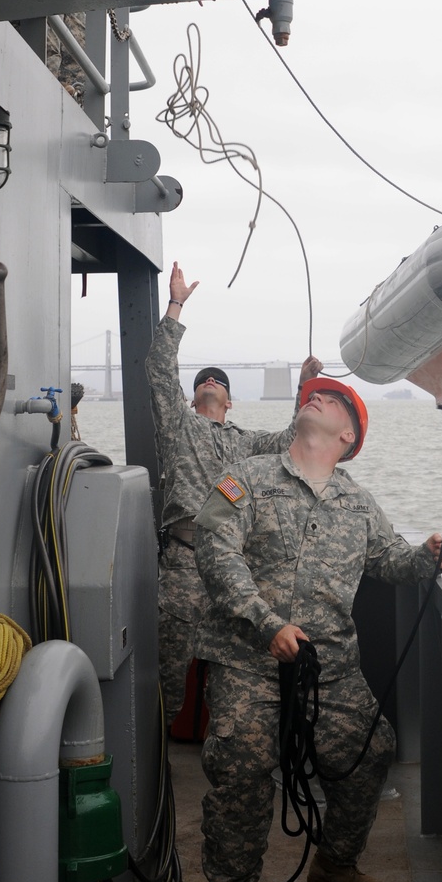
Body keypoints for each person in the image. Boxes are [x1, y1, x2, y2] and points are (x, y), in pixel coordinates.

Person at [193, 376, 442, 882]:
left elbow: (389, 560)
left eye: (332, 399)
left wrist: (427, 556)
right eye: (313, 392)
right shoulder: (248, 477)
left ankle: (334, 865)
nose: (315, 396)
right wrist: (267, 623)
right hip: (247, 660)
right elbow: (214, 547)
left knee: (372, 749)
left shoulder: (356, 501)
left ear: (347, 434)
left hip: (329, 666)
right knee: (242, 761)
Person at [145, 261, 320, 722]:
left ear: (229, 400)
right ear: (191, 397)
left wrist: (304, 387)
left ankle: (235, 756)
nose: (210, 380)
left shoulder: (245, 443)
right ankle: (156, 767)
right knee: (168, 678)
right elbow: (159, 371)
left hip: (232, 566)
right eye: (203, 378)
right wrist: (177, 304)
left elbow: (289, 441)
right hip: (183, 562)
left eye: (219, 381)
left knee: (240, 677)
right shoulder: (178, 426)